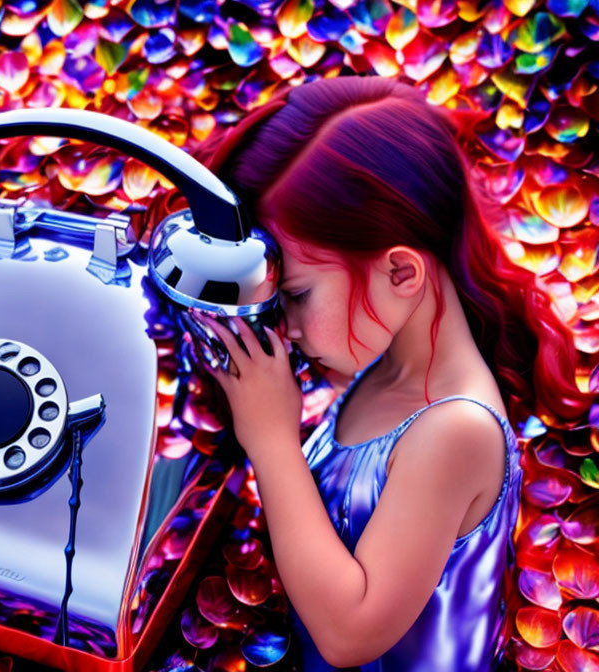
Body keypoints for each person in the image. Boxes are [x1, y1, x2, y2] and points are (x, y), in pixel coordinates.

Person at [147, 76, 593, 670]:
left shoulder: (454, 431)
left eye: (299, 295)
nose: (288, 326)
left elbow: (350, 635)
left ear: (402, 273)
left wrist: (272, 442)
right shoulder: (379, 359)